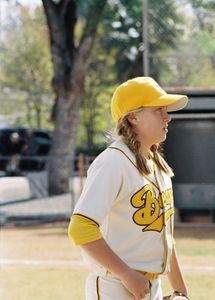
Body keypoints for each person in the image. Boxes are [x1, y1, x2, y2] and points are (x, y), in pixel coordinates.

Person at [68, 77, 189, 300]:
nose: (167, 116)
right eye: (158, 110)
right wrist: (126, 274)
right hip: (115, 285)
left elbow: (166, 237)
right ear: (133, 117)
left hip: (151, 285)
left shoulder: (158, 166)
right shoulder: (114, 162)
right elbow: (80, 227)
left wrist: (182, 292)